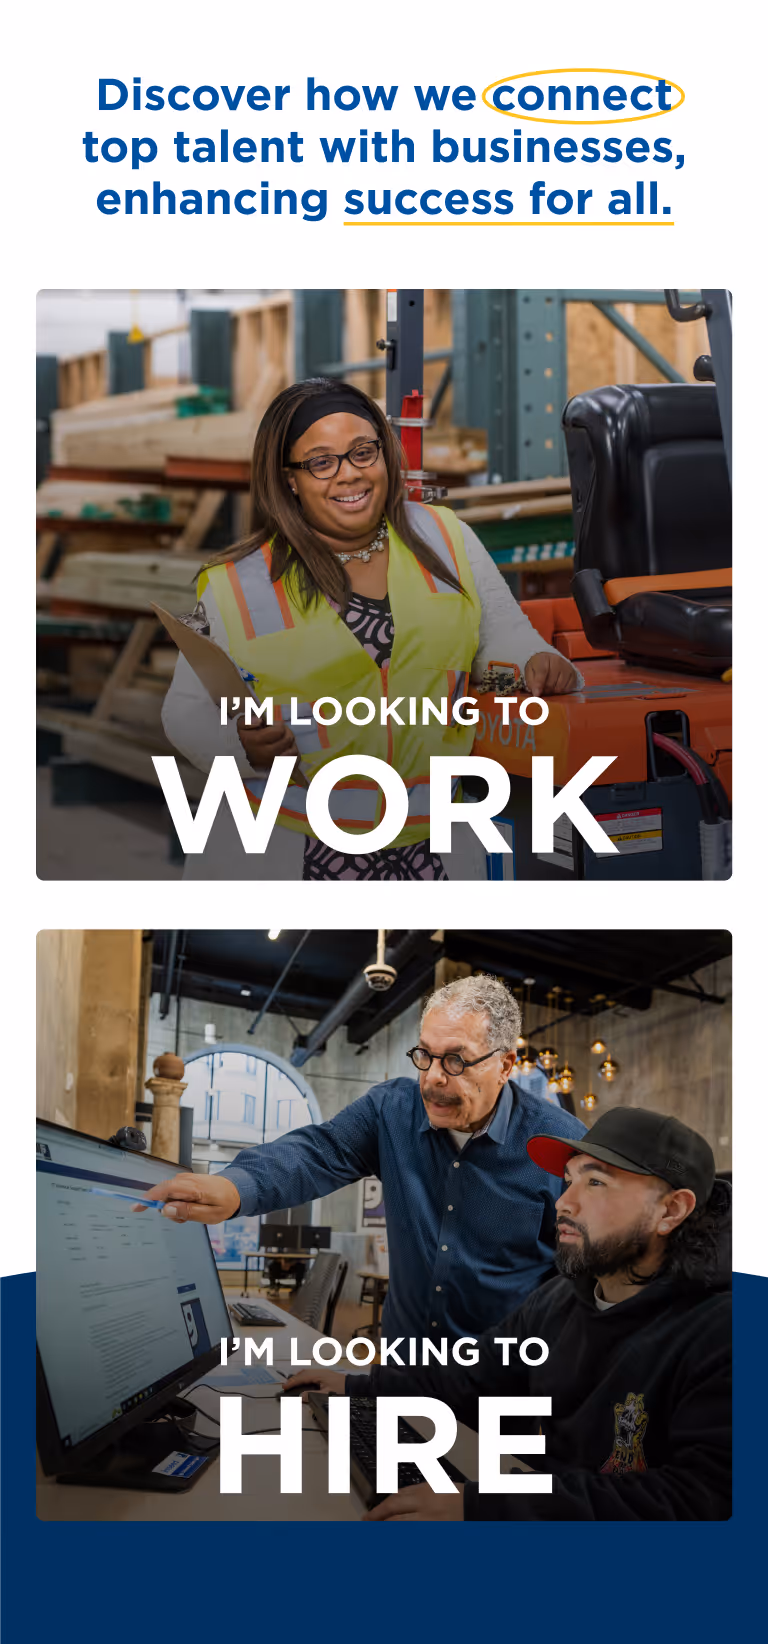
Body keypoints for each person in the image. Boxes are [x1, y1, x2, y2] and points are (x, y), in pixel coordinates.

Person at [161, 375, 580, 880]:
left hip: (430, 851)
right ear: (288, 477)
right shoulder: (238, 582)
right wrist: (242, 749)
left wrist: (539, 662)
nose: (349, 475)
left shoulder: (447, 538)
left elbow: (503, 637)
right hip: (295, 849)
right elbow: (184, 710)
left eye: (363, 452)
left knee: (436, 962)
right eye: (321, 461)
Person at [285, 1106, 732, 1522]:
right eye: (569, 1179)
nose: (564, 1202)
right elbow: (469, 1375)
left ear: (670, 1211)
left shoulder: (725, 1330)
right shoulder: (559, 1300)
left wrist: (482, 1506)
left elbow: (700, 1499)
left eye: (595, 1183)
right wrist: (358, 1386)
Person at [137, 974, 585, 1340]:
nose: (432, 1079)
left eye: (455, 1061)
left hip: (503, 1385)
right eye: (425, 1056)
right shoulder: (391, 1110)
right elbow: (319, 1151)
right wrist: (235, 1186)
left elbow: (582, 1282)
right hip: (402, 1371)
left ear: (504, 1066)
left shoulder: (563, 1147)